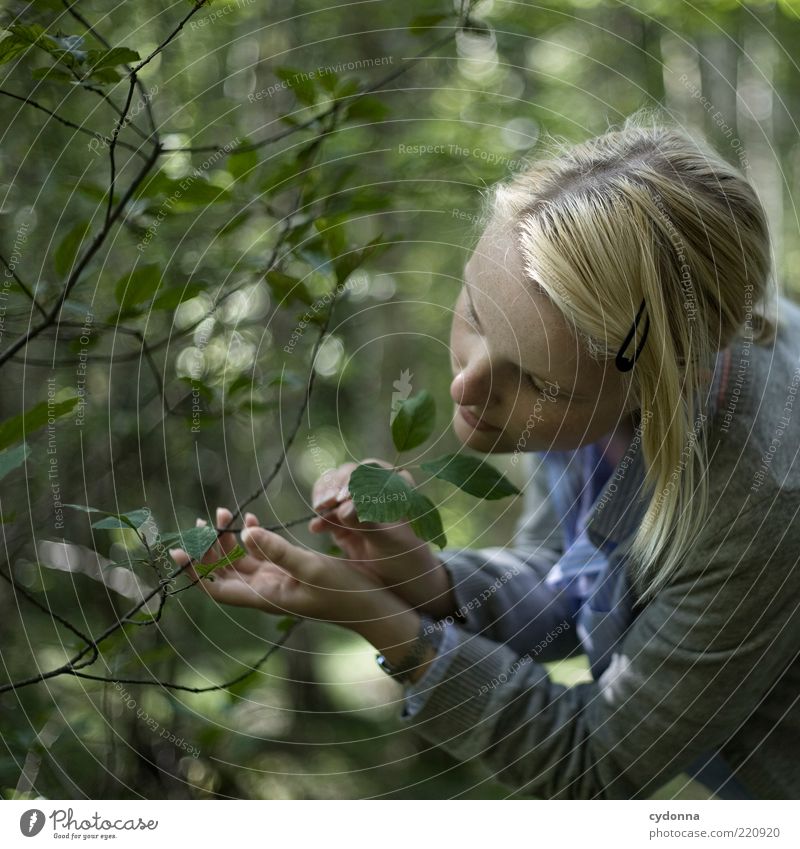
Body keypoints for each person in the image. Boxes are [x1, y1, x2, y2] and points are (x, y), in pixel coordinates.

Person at [172, 112, 800, 799]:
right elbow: (565, 591)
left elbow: (592, 768)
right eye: (473, 311)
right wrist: (424, 579)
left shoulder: (761, 496)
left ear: (666, 379)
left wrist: (389, 627)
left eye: (534, 380)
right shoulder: (598, 351)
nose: (467, 383)